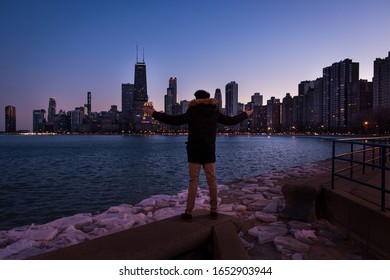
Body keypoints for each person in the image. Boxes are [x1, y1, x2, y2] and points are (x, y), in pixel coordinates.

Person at [143, 90, 253, 220]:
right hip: (208, 149)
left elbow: (174, 120)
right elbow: (231, 121)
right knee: (212, 181)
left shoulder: (192, 111)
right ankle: (214, 211)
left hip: (194, 150)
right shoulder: (215, 111)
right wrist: (245, 114)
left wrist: (154, 113)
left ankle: (189, 212)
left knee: (193, 181)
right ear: (208, 98)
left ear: (196, 99)